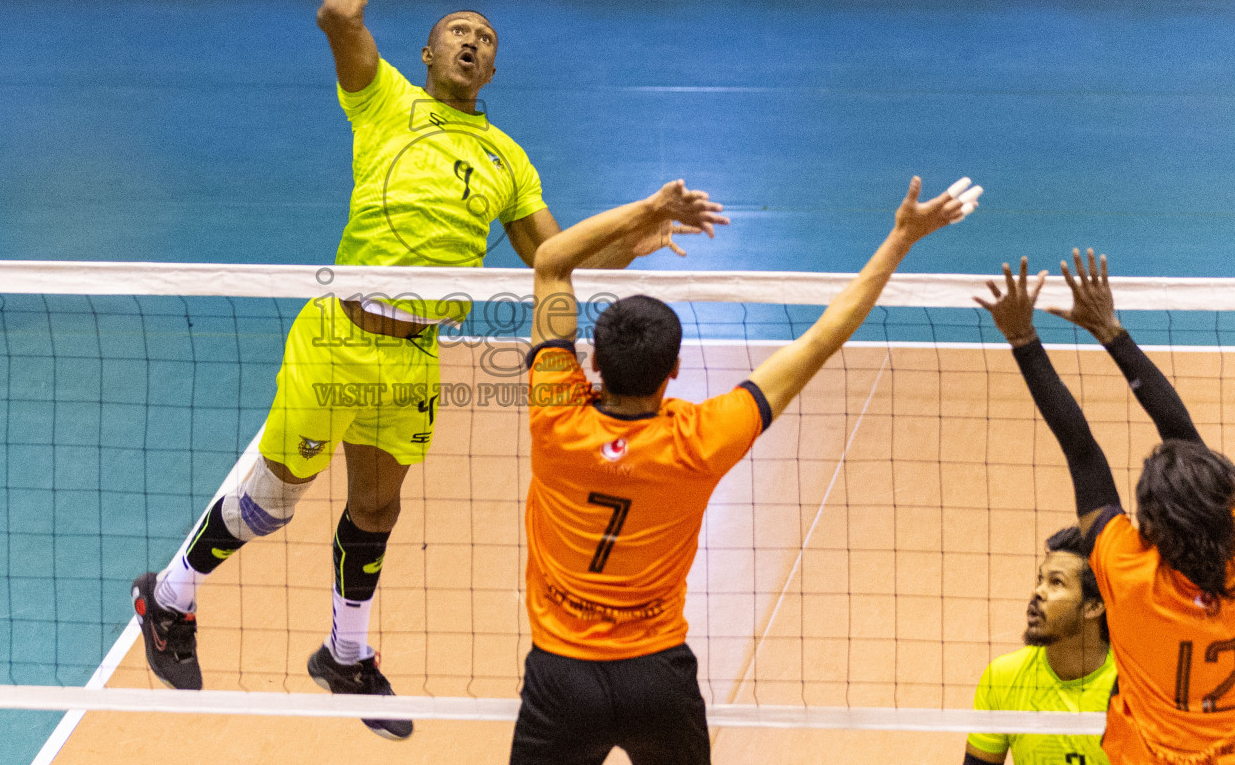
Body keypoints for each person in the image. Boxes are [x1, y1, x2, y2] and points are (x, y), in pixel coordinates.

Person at [131, 0, 667, 737]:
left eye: (485, 38)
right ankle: (168, 598)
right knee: (274, 504)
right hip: (339, 335)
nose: (471, 43)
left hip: (416, 355)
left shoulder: (507, 159)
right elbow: (338, 16)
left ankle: (345, 654)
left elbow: (554, 257)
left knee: (377, 510)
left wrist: (635, 237)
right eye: (457, 31)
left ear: (493, 67)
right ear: (426, 53)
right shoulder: (384, 100)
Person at [515, 175, 978, 764]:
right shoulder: (702, 439)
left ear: (594, 363)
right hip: (656, 677)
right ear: (676, 368)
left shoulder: (553, 417)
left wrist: (647, 211)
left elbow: (552, 263)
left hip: (562, 678)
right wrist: (901, 238)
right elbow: (823, 338)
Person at [977, 249, 1235, 764]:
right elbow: (1186, 444)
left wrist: (1025, 340)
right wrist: (1112, 332)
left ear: (1153, 526)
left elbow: (1081, 450)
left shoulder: (1131, 573)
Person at [964, 526, 1115, 765]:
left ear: (1093, 606)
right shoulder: (1003, 678)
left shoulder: (1134, 687)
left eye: (1056, 582)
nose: (1038, 592)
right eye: (1040, 579)